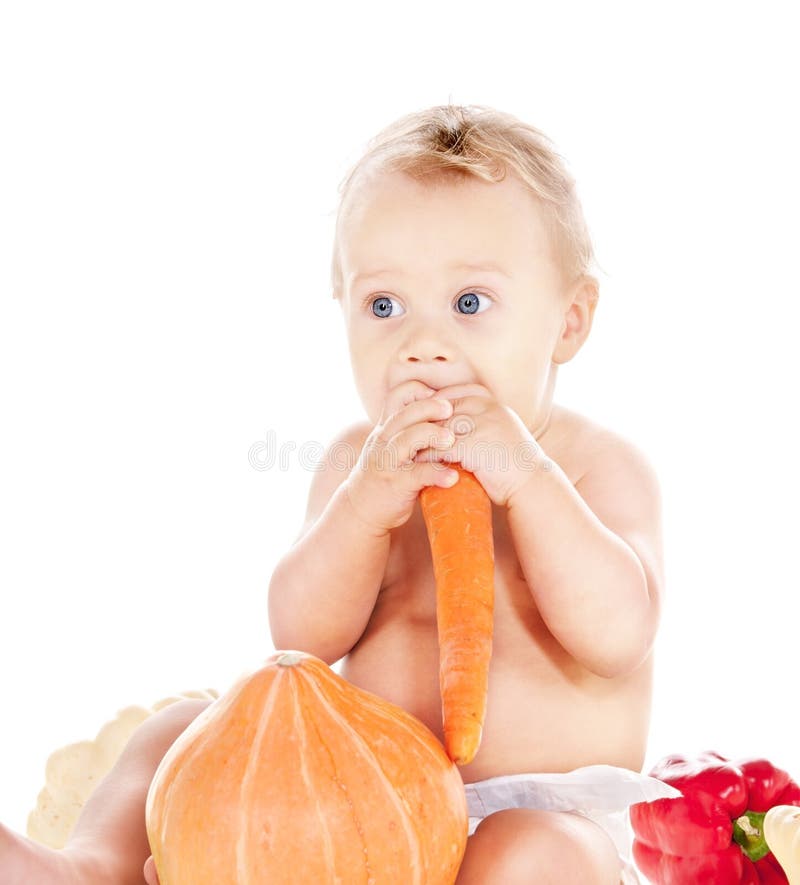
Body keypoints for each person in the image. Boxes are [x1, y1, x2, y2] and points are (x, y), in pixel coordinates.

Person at [0, 103, 674, 884]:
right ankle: (87, 869)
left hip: (544, 809)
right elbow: (300, 638)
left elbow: (619, 633)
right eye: (383, 306)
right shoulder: (360, 464)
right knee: (179, 729)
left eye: (469, 303)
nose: (422, 345)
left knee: (534, 852)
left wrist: (527, 479)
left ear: (569, 322)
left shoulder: (599, 467)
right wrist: (362, 509)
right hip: (360, 810)